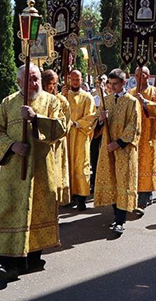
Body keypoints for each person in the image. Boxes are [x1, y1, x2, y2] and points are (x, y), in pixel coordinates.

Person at [0, 64, 67, 280]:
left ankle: (32, 257)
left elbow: (61, 129)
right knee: (11, 210)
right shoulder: (8, 103)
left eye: (36, 79)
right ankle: (9, 262)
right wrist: (12, 146)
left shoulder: (51, 101)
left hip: (41, 169)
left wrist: (35, 119)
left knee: (37, 210)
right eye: (29, 79)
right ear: (18, 82)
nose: (33, 83)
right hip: (14, 171)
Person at [93, 68, 141, 235]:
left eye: (115, 84)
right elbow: (96, 127)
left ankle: (120, 220)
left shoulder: (131, 101)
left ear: (123, 83)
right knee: (112, 181)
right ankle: (116, 215)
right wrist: (100, 120)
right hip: (108, 148)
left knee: (123, 182)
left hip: (124, 150)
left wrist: (119, 143)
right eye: (110, 84)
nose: (112, 87)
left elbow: (134, 126)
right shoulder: (105, 100)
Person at [129, 66, 156, 213]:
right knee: (134, 166)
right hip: (134, 136)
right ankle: (134, 196)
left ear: (148, 75)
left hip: (149, 135)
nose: (139, 77)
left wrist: (144, 101)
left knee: (147, 165)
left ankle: (145, 197)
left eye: (142, 75)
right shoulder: (131, 93)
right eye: (136, 75)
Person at [64, 70, 97, 210]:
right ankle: (69, 196)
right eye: (73, 79)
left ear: (81, 79)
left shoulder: (87, 97)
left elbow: (91, 116)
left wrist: (77, 123)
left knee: (81, 165)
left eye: (78, 79)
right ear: (69, 79)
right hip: (66, 137)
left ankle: (82, 197)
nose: (75, 82)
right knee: (67, 165)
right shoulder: (64, 96)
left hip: (81, 136)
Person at [41, 69, 71, 206]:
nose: (52, 87)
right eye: (49, 84)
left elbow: (67, 122)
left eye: (54, 84)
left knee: (56, 172)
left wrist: (57, 133)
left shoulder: (61, 101)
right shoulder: (37, 100)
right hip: (41, 144)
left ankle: (57, 200)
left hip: (57, 143)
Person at [90, 74, 108, 193]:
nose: (99, 86)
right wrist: (99, 120)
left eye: (102, 83)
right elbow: (90, 116)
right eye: (97, 84)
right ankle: (94, 182)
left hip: (107, 133)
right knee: (95, 158)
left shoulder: (109, 99)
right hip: (95, 132)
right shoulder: (92, 99)